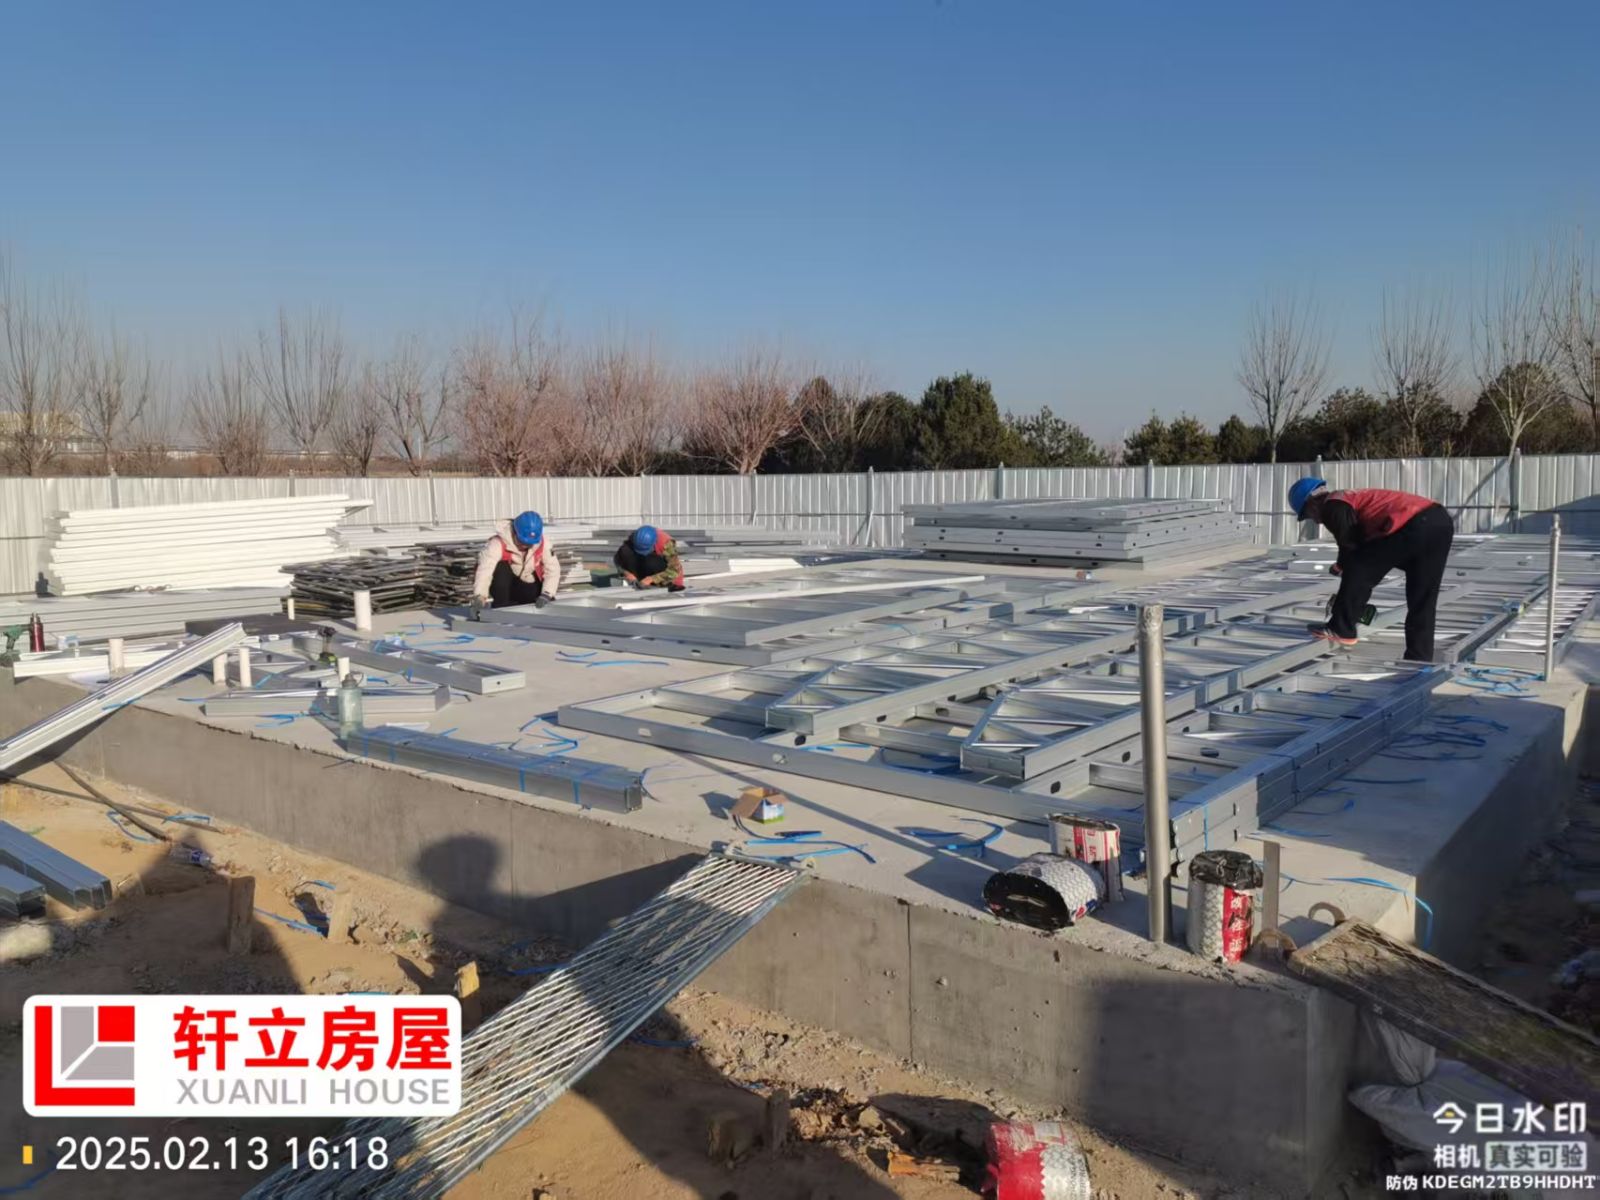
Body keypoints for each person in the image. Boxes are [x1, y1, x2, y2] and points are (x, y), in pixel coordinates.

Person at [1288, 477, 1454, 662]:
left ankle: (1342, 628)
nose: (1315, 521)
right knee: (1422, 600)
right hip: (1440, 523)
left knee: (1359, 568)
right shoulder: (1349, 499)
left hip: (1414, 523)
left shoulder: (1332, 505)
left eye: (1308, 515)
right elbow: (1363, 544)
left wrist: (1344, 571)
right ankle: (1419, 659)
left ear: (1312, 502)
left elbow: (1350, 547)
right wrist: (1346, 570)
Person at [471, 510, 562, 609]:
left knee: (543, 603)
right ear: (514, 531)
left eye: (529, 543)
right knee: (500, 568)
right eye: (522, 541)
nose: (525, 546)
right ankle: (502, 608)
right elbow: (485, 570)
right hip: (505, 589)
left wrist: (547, 594)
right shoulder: (496, 544)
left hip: (527, 584)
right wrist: (479, 596)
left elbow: (552, 569)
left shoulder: (543, 544)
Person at [613, 525, 684, 591]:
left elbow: (674, 571)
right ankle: (640, 581)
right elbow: (617, 559)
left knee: (652, 562)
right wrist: (627, 573)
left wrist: (651, 579)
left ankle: (656, 584)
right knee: (625, 551)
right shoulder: (635, 538)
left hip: (668, 580)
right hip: (645, 570)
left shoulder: (667, 543)